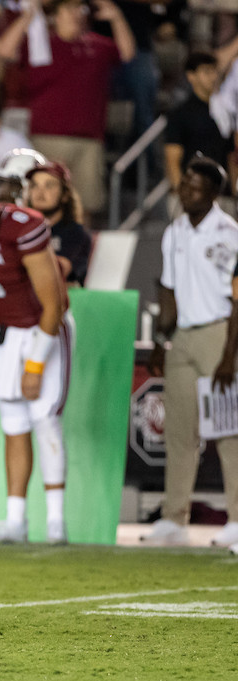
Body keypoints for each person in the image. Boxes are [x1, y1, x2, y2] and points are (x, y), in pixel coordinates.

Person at [0, 179, 71, 544]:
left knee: (44, 420)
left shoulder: (24, 227)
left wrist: (35, 365)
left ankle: (55, 520)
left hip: (43, 329)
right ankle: (16, 520)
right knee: (14, 424)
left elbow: (55, 304)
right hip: (6, 331)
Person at [148, 158, 238, 549]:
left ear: (215, 193)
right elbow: (168, 290)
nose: (185, 192)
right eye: (183, 184)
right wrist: (159, 337)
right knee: (179, 430)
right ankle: (174, 516)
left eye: (194, 187)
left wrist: (230, 355)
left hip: (220, 332)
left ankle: (237, 517)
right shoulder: (175, 231)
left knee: (229, 430)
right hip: (183, 334)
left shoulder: (230, 234)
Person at [0, 0, 134, 215]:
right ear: (56, 16)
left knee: (85, 204)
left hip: (89, 138)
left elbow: (127, 53)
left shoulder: (97, 45)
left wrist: (116, 17)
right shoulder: (40, 43)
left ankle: (80, 245)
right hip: (47, 136)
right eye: (70, 8)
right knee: (41, 201)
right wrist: (28, 17)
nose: (76, 13)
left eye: (80, 8)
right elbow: (4, 50)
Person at [164, 53, 230, 197]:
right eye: (206, 72)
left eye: (214, 71)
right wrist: (182, 195)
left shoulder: (225, 111)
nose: (213, 77)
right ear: (191, 76)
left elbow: (231, 154)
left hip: (222, 195)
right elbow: (172, 159)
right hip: (192, 197)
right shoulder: (180, 114)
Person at [26, 162, 91, 287]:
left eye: (49, 186)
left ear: (65, 195)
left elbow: (60, 270)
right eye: (34, 185)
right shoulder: (20, 229)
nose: (40, 192)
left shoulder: (76, 233)